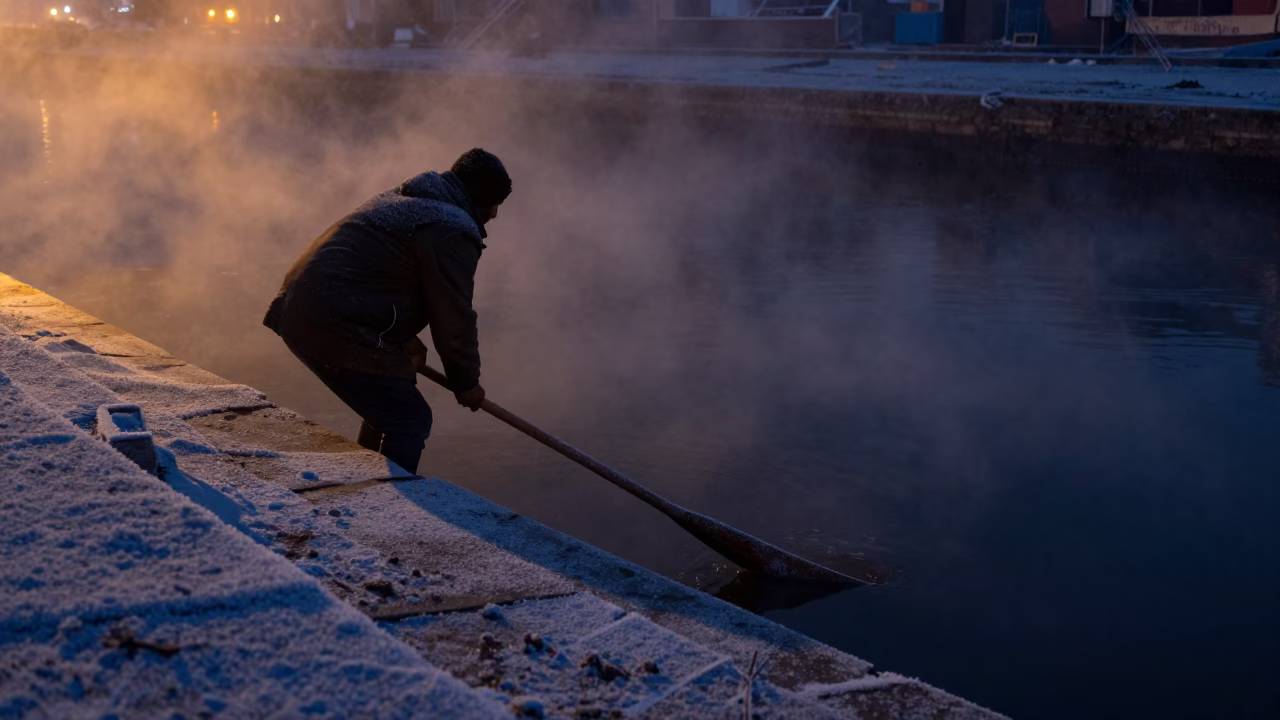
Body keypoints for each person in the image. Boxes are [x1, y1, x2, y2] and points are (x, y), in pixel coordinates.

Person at [263, 148, 511, 474]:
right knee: (409, 418)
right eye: (494, 204)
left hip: (301, 306)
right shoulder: (451, 227)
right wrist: (466, 382)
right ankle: (384, 508)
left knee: (389, 407)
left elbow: (376, 274)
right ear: (478, 196)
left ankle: (367, 484)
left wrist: (405, 340)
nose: (494, 214)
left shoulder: (406, 199)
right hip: (334, 320)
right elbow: (454, 315)